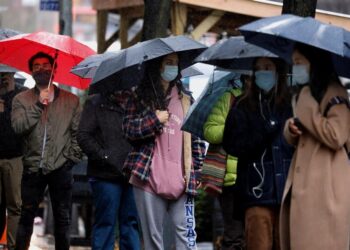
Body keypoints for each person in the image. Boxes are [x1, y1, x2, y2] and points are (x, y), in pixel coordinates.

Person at [122, 53, 206, 250]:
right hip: (148, 177)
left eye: (176, 64)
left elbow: (196, 138)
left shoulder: (186, 99)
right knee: (153, 239)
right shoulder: (139, 96)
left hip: (181, 179)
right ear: (157, 66)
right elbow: (127, 130)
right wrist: (154, 119)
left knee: (185, 236)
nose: (173, 68)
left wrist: (198, 169)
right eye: (168, 63)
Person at [280, 43, 350, 250]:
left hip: (327, 189)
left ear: (315, 63)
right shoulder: (307, 93)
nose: (296, 68)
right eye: (293, 63)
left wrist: (307, 108)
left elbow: (337, 135)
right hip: (305, 186)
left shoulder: (334, 92)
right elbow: (305, 130)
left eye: (300, 63)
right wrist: (290, 128)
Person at [11, 52, 82, 250]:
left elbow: (78, 134)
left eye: (46, 65)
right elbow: (18, 127)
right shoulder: (21, 99)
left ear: (54, 69)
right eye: (36, 66)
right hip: (32, 167)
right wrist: (37, 105)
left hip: (61, 167)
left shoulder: (71, 101)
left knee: (63, 220)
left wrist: (70, 159)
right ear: (31, 71)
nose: (41, 69)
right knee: (26, 217)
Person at [223, 57, 294, 250]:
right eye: (258, 68)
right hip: (256, 193)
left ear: (278, 71)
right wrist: (263, 132)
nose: (263, 72)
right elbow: (232, 146)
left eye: (268, 67)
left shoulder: (291, 105)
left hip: (288, 192)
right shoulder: (242, 106)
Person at [77, 90, 141, 250]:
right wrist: (104, 156)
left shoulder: (138, 103)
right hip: (105, 175)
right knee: (106, 222)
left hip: (132, 173)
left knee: (131, 223)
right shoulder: (95, 103)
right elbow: (83, 136)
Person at [203, 73, 250, 250]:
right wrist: (233, 125)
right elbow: (210, 131)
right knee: (234, 235)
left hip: (260, 180)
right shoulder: (229, 98)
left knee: (259, 234)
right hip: (232, 181)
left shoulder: (271, 102)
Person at [0, 65, 26, 250]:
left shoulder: (22, 95)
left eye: (6, 75)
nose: (3, 78)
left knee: (15, 205)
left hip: (15, 157)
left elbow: (21, 125)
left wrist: (9, 96)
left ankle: (12, 245)